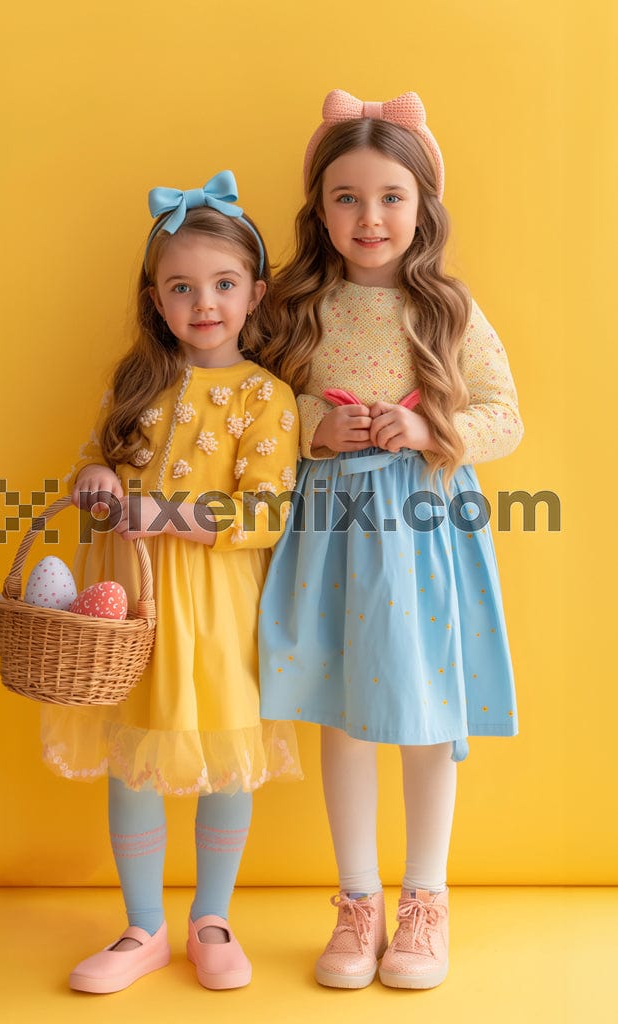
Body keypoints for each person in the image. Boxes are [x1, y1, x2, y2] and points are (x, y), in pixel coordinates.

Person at [258, 91, 523, 991]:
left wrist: (426, 430)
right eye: (345, 197)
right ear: (318, 208)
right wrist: (307, 427)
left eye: (390, 197)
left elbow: (503, 418)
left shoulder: (445, 308)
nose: (368, 218)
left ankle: (425, 900)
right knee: (345, 709)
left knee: (425, 710)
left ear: (422, 206)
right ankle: (357, 899)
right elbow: (247, 407)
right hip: (333, 533)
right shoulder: (297, 305)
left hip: (420, 529)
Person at [41, 171, 301, 994]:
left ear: (254, 294)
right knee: (135, 760)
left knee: (226, 757)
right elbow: (96, 461)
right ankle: (143, 927)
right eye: (181, 287)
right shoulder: (137, 384)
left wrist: (167, 513)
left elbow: (267, 513)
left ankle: (212, 918)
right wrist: (98, 483)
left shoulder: (266, 398)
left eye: (223, 285)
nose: (204, 304)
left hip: (221, 607)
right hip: (135, 605)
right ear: (155, 299)